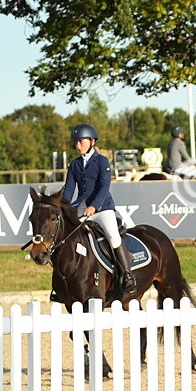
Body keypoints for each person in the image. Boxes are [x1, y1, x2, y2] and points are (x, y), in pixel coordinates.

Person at [63, 123, 137, 294]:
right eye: (76, 142)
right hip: (81, 207)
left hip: (102, 207)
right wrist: (64, 208)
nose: (77, 145)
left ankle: (126, 274)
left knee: (112, 234)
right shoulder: (74, 165)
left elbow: (104, 187)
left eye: (81, 141)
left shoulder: (102, 161)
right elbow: (68, 189)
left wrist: (94, 206)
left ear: (92, 141)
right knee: (67, 236)